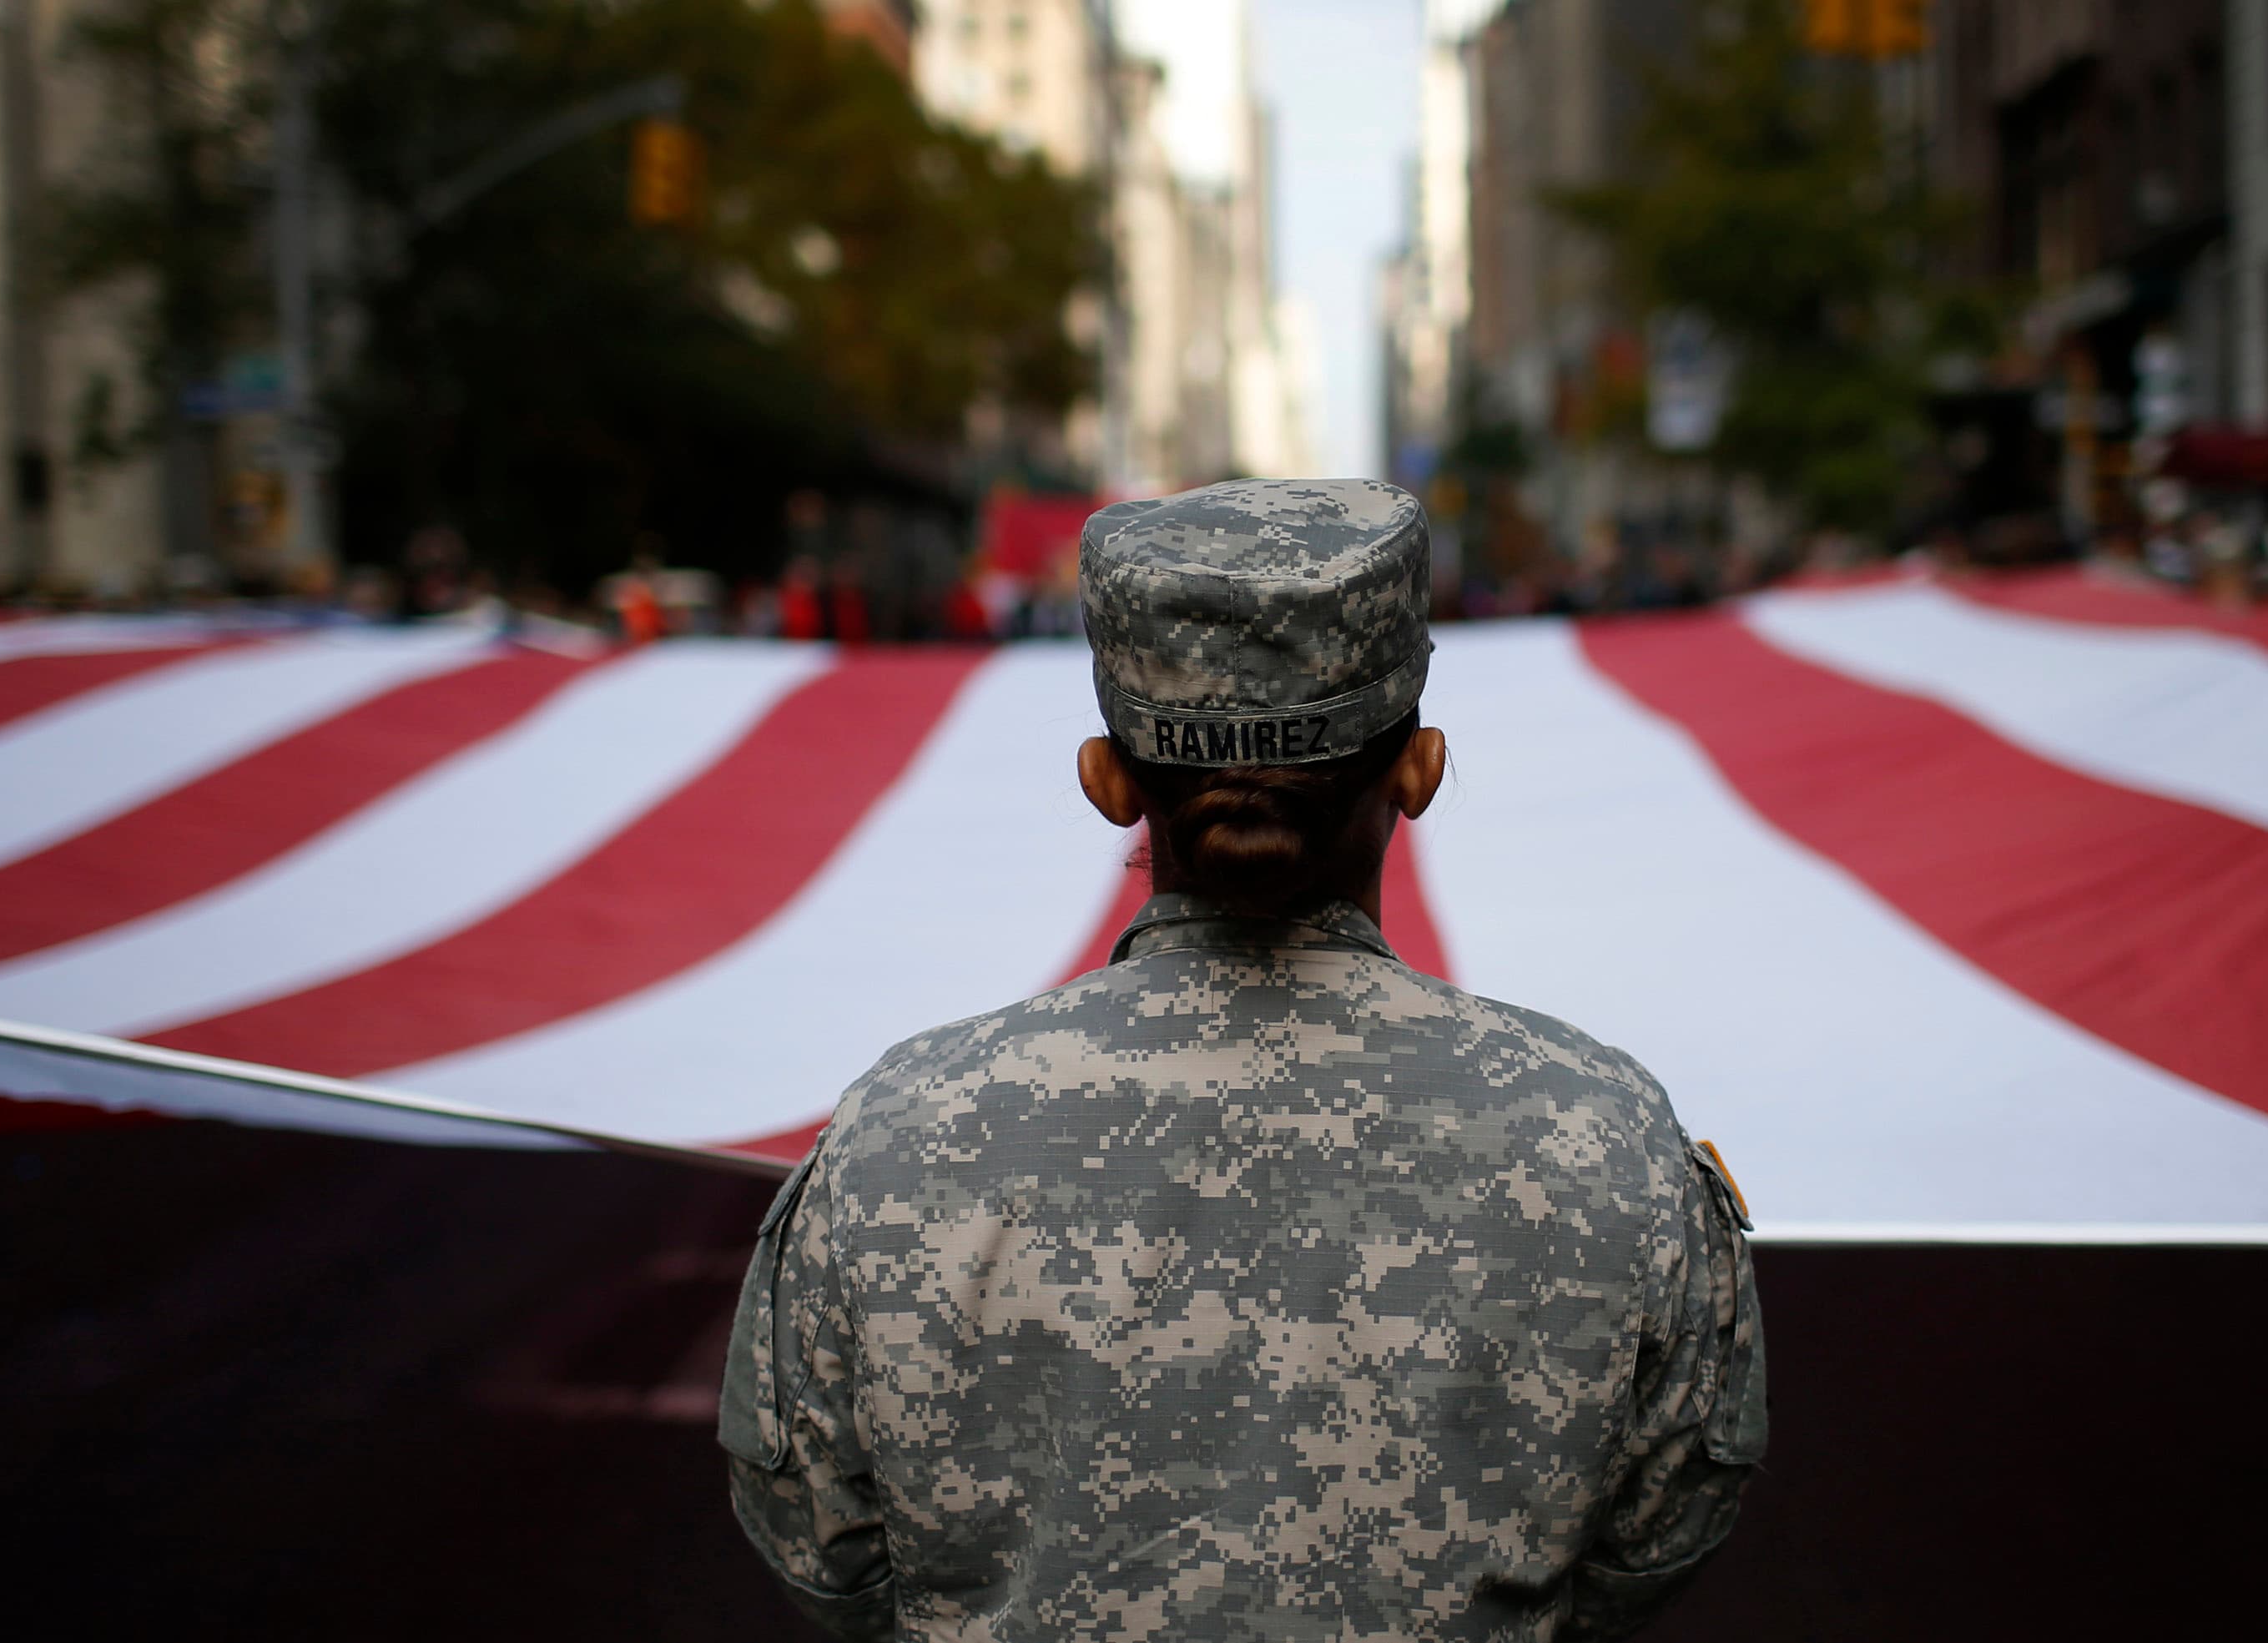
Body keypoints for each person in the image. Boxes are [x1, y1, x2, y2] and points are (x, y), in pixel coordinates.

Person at [720, 478, 1766, 1640]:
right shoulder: (1607, 1140)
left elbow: (823, 1554)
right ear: (1417, 771)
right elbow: (1649, 1548)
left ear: (1107, 779)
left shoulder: (900, 1136)